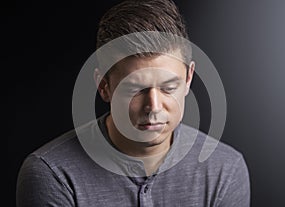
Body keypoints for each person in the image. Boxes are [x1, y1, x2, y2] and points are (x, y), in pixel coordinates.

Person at [16, 0, 250, 206]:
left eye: (169, 88)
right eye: (135, 89)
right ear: (103, 86)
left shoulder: (225, 170)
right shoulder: (52, 174)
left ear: (188, 79)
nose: (154, 107)